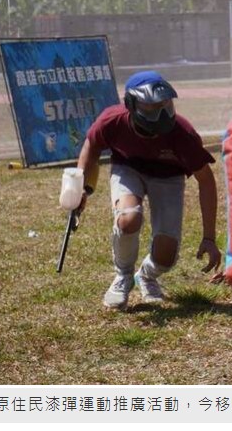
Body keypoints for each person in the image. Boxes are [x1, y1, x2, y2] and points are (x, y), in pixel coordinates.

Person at [76, 70, 221, 310]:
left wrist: (209, 238)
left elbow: (206, 181)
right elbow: (91, 145)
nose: (162, 112)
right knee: (128, 218)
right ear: (132, 105)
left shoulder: (182, 134)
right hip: (128, 167)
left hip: (169, 177)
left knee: (166, 255)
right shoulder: (112, 120)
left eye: (165, 104)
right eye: (151, 106)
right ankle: (122, 276)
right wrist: (81, 189)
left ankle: (146, 275)